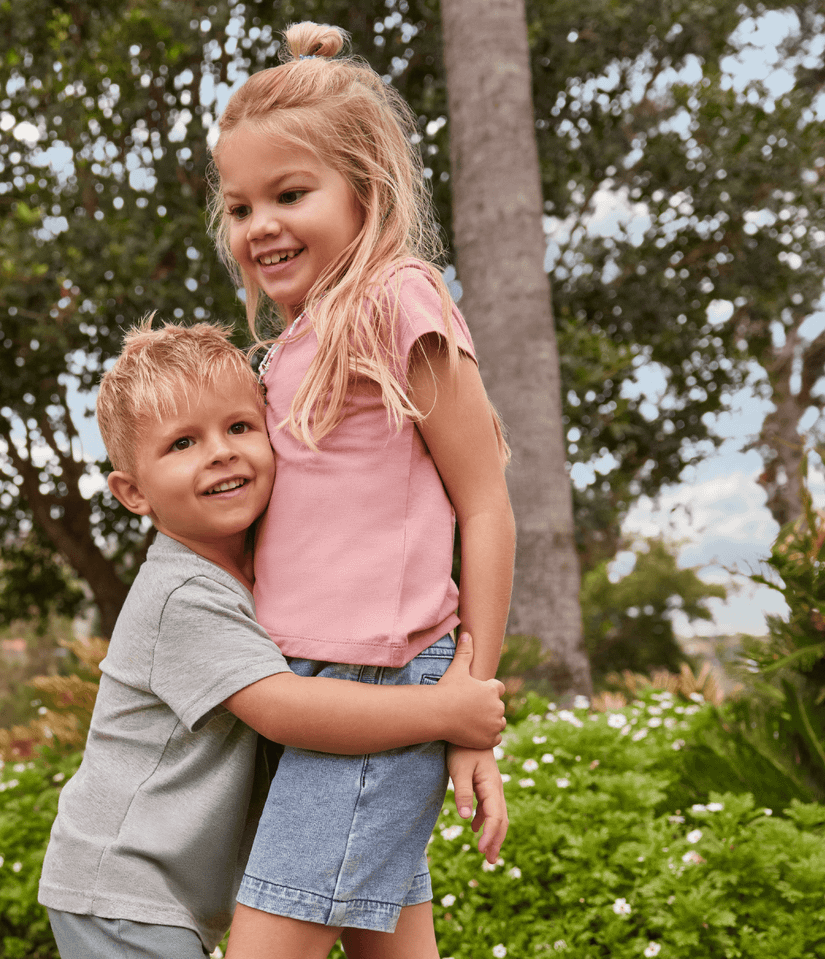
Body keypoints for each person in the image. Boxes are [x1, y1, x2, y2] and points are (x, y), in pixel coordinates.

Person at [37, 319, 508, 959]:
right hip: (121, 890)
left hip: (157, 898)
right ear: (132, 492)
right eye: (182, 443)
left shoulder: (262, 575)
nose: (222, 452)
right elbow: (284, 709)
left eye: (239, 427)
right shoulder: (183, 594)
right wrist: (446, 712)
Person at [209, 21, 517, 959]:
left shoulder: (395, 302)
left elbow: (487, 504)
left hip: (380, 684)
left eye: (289, 194)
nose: (260, 224)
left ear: (365, 190)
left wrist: (470, 709)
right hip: (321, 694)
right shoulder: (290, 345)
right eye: (238, 206)